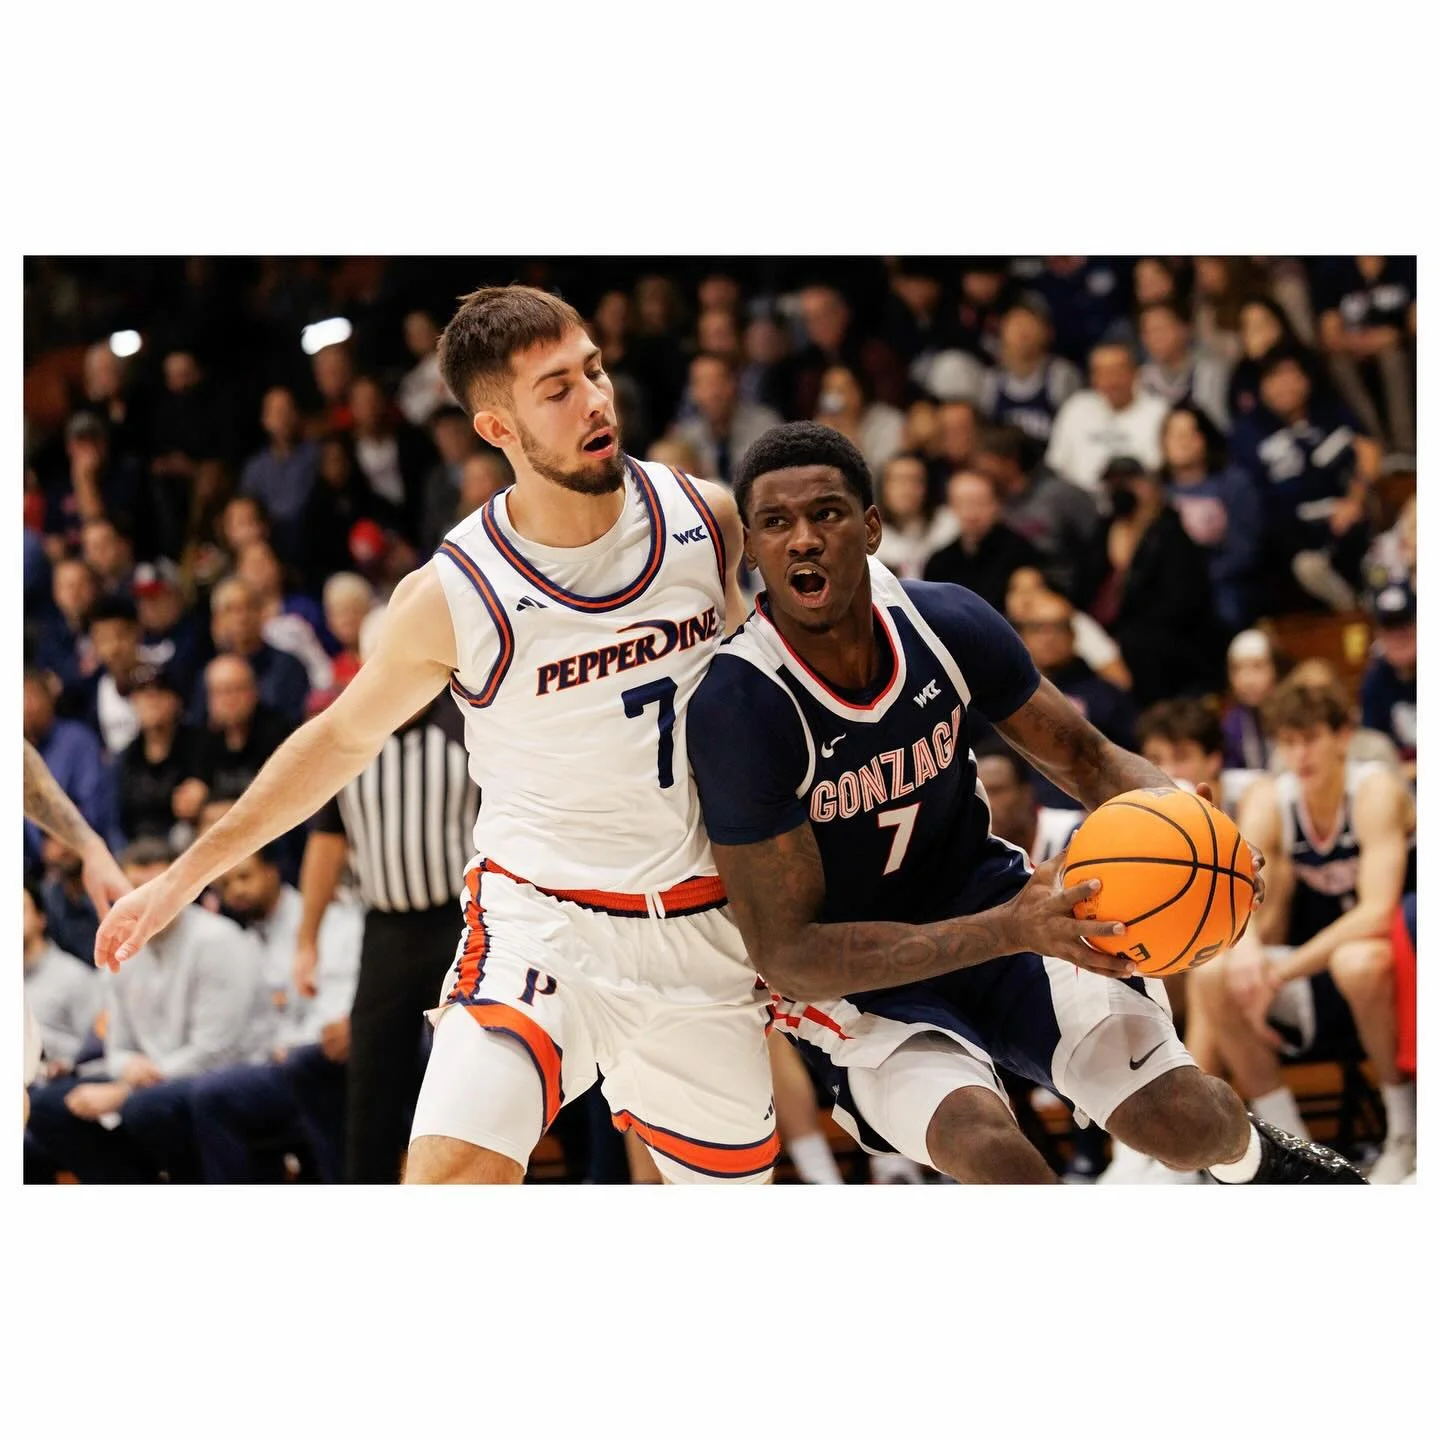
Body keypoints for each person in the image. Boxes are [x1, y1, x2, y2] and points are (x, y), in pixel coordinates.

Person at [96, 283, 779, 1186]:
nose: (596, 400)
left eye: (595, 371)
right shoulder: (454, 593)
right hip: (542, 924)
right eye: (557, 389)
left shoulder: (707, 519)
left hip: (698, 927)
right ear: (497, 429)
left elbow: (776, 710)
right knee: (448, 1177)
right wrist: (183, 879)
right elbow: (337, 744)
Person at [687, 421, 1360, 1185]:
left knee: (1185, 1122)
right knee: (995, 1154)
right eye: (775, 523)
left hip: (993, 896)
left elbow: (1088, 756)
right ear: (752, 546)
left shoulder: (943, 621)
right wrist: (1008, 931)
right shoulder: (741, 707)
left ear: (872, 527)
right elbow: (790, 954)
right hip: (858, 984)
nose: (802, 539)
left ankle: (1267, 1166)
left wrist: (1198, 832)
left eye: (827, 514)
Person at [1187, 679, 1415, 1182]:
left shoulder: (1374, 789)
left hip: (1401, 965)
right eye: (1287, 741)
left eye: (1310, 737)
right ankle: (1290, 1150)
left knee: (1358, 961)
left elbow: (1378, 912)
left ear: (1343, 735)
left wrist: (1282, 968)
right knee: (1214, 976)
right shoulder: (1273, 796)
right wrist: (1247, 956)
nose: (1299, 753)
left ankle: (1407, 1134)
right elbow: (1235, 889)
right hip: (1318, 968)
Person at [294, 613, 481, 1183]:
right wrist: (306, 940)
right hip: (386, 931)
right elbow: (327, 844)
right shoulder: (349, 737)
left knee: (480, 1071)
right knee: (371, 1082)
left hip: (464, 923)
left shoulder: (468, 724)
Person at [26, 839, 267, 1184]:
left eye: (158, 886)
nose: (147, 899)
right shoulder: (122, 945)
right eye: (135, 888)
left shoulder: (217, 941)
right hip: (155, 1078)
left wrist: (126, 1092)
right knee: (48, 1106)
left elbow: (216, 1052)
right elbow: (117, 1045)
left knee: (145, 1109)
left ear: (185, 889)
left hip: (227, 1076)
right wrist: (127, 1067)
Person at [186, 848, 362, 1183]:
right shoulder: (243, 937)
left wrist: (291, 1045)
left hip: (320, 1055)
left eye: (244, 876)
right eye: (225, 884)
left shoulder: (326, 921)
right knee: (208, 1090)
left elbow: (336, 1010)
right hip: (270, 1059)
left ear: (272, 871)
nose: (235, 890)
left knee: (214, 1094)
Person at [1230, 347, 1377, 614]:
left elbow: (1368, 450)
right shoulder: (1249, 431)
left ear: (1308, 379)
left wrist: (1354, 500)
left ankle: (1360, 607)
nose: (1285, 386)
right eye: (1275, 378)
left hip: (1339, 515)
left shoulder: (1328, 413)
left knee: (1360, 530)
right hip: (1286, 528)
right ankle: (1352, 609)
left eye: (1292, 376)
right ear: (1262, 386)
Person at [1090, 457, 1222, 707]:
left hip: (1165, 640)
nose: (1121, 491)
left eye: (1128, 482)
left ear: (1148, 485)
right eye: (1113, 484)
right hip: (1105, 631)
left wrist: (1123, 636)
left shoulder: (1169, 530)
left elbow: (1182, 602)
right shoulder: (1103, 529)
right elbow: (1084, 588)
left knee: (1138, 645)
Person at [1158, 403, 1263, 634]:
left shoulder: (1234, 483)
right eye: (1174, 434)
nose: (1182, 442)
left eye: (1190, 433)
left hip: (1221, 583)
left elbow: (1244, 551)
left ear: (1205, 438)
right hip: (1166, 587)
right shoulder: (1153, 491)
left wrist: (1196, 581)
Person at [970, 425, 1103, 604]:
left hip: (1063, 594)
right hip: (1009, 598)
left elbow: (1096, 546)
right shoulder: (991, 500)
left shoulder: (1060, 495)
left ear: (1009, 461)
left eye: (986, 465)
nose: (980, 472)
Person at [1044, 342, 1168, 496]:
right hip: (1079, 503)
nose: (1111, 380)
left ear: (1135, 372)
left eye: (1118, 371)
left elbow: (1159, 471)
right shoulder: (1076, 407)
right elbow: (1056, 465)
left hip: (1136, 501)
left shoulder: (1158, 411)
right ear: (1093, 378)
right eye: (1102, 373)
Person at [23, 669, 112, 869]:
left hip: (84, 848)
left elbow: (92, 802)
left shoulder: (77, 740)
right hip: (34, 861)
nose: (26, 706)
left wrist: (67, 840)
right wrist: (41, 848)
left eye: (32, 696)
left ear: (49, 699)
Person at [922, 469, 1045, 611]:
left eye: (979, 503)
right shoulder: (939, 562)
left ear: (997, 504)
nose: (971, 513)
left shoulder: (1022, 553)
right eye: (962, 503)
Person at [194, 576, 310, 727]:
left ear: (262, 614)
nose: (242, 617)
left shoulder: (288, 666)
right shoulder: (211, 674)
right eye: (231, 610)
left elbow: (294, 724)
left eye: (249, 607)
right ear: (218, 620)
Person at [23, 878, 104, 1085]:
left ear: (42, 919)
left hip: (56, 1085)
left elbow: (96, 1051)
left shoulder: (73, 976)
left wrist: (35, 1036)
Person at [978, 294, 1082, 447]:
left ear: (1048, 332)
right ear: (1002, 331)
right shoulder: (991, 380)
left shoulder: (1062, 375)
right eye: (1015, 323)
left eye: (1030, 323)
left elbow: (1075, 431)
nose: (1022, 331)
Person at [117, 664, 202, 846]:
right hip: (136, 850)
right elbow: (115, 820)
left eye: (160, 691)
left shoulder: (200, 746)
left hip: (184, 846)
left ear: (177, 700)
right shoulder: (125, 758)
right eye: (142, 692)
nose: (151, 699)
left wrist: (203, 797)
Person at [668, 351, 782, 487]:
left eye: (718, 382)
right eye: (703, 384)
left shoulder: (765, 424)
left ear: (734, 383)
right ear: (692, 392)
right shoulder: (685, 435)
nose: (713, 393)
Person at [238, 387, 320, 567]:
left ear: (297, 414)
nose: (282, 418)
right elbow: (249, 512)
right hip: (272, 550)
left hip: (314, 544)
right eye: (275, 412)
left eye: (286, 411)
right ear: (265, 419)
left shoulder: (316, 455)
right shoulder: (255, 468)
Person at [1135, 298, 1230, 431]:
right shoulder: (1142, 376)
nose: (1155, 338)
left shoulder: (1208, 370)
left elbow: (1214, 422)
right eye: (1148, 332)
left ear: (1184, 329)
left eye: (1161, 329)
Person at [1359, 580, 1417, 781]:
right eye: (1389, 631)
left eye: (1406, 628)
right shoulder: (1375, 682)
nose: (1399, 638)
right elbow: (1372, 748)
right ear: (1379, 636)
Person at [872, 453, 957, 582]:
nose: (906, 489)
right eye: (898, 480)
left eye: (914, 480)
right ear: (883, 487)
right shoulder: (868, 533)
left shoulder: (947, 526)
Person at [812, 363, 906, 477]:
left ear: (859, 390)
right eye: (829, 390)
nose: (835, 398)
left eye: (842, 390)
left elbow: (883, 478)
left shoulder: (889, 421)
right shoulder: (820, 424)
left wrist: (850, 435)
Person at [1221, 629, 1279, 772]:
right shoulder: (1231, 724)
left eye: (1257, 666)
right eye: (1237, 669)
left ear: (1275, 669)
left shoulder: (1294, 715)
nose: (1247, 680)